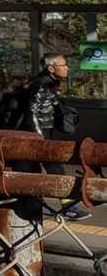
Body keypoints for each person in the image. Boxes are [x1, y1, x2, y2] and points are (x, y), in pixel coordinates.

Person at [13, 53, 88, 220]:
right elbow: (31, 112)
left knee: (41, 168)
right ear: (51, 68)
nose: (67, 68)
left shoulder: (49, 82)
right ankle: (68, 206)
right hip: (36, 135)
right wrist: (38, 138)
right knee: (53, 167)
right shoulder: (41, 84)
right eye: (63, 65)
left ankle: (35, 205)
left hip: (42, 132)